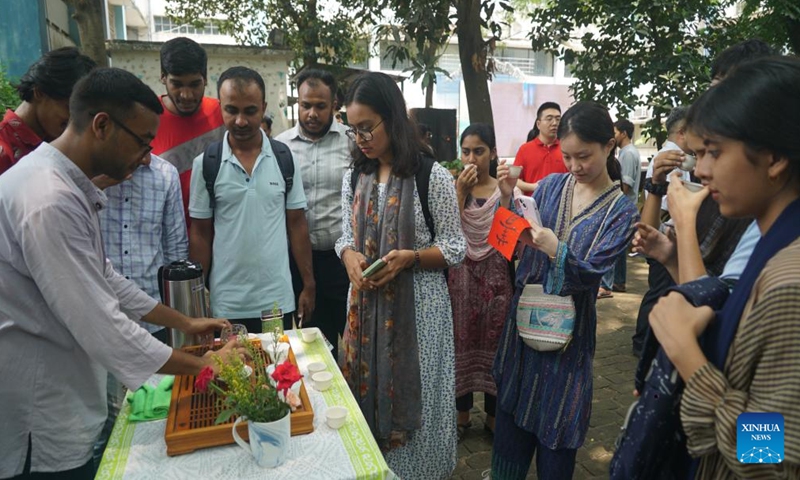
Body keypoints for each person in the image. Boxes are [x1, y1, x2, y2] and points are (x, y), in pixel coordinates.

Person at [0, 67, 239, 480]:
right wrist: (203, 367)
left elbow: (105, 277)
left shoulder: (65, 183)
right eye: (143, 142)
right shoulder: (49, 200)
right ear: (102, 125)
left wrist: (182, 321)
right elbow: (100, 322)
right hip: (39, 412)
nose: (147, 157)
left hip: (62, 390)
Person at [648, 56, 800, 479]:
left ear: (773, 159)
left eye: (714, 151)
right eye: (699, 153)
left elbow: (771, 456)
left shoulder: (789, 283)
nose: (701, 170)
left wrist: (688, 358)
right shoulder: (773, 239)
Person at [491, 101, 639, 480]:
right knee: (510, 423)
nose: (574, 166)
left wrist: (555, 248)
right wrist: (508, 198)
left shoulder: (622, 211)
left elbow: (592, 276)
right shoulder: (553, 186)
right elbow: (506, 243)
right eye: (568, 156)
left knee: (558, 424)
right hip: (523, 326)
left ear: (609, 146)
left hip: (568, 340)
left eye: (584, 156)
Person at [335, 72, 466, 479]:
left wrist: (410, 258)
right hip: (365, 313)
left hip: (419, 319)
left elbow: (456, 247)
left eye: (366, 127)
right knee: (366, 399)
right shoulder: (356, 176)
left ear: (392, 118)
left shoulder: (431, 176)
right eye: (352, 128)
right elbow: (344, 235)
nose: (360, 138)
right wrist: (349, 257)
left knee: (419, 408)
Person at [189, 66, 315, 334]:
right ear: (220, 108)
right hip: (225, 304)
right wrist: (198, 298)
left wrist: (308, 283)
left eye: (250, 111)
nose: (240, 121)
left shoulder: (284, 159)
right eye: (231, 110)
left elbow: (297, 225)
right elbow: (200, 233)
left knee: (278, 371)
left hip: (276, 300)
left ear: (263, 107)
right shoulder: (206, 164)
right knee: (232, 374)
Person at [275, 69, 351, 360]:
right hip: (299, 262)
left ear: (334, 105)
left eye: (321, 106)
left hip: (342, 261)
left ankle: (353, 402)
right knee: (314, 342)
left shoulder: (353, 143)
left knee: (352, 339)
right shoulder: (280, 147)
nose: (312, 113)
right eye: (306, 105)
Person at [449, 123, 518, 438]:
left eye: (479, 151)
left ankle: (492, 419)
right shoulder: (453, 187)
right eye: (466, 152)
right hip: (460, 277)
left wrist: (506, 198)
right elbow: (446, 233)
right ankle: (461, 416)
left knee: (495, 345)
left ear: (492, 153)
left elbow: (509, 245)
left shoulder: (503, 190)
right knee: (460, 343)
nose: (472, 158)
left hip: (495, 279)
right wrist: (459, 193)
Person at [627, 106, 688, 354]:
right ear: (683, 132)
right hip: (664, 239)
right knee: (658, 292)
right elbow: (663, 208)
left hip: (665, 240)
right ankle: (642, 341)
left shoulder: (675, 156)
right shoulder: (672, 159)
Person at [151, 37, 225, 228]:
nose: (186, 95)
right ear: (163, 77)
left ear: (206, 79)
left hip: (216, 234)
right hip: (164, 235)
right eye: (177, 84)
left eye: (194, 84)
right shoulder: (146, 119)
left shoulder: (222, 114)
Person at [0, 47, 95, 175]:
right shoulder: (4, 149)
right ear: (39, 92)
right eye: (69, 109)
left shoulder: (61, 144)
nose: (74, 121)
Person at [599, 118, 640, 296]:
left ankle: (608, 284)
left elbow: (627, 183)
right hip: (621, 204)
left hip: (621, 205)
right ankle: (618, 282)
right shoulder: (624, 153)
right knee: (620, 247)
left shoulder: (628, 154)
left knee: (612, 244)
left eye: (615, 131)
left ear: (623, 133)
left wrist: (612, 200)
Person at [512, 102, 566, 194]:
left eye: (558, 119)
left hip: (561, 205)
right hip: (532, 204)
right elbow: (514, 180)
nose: (554, 123)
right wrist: (535, 187)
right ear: (538, 124)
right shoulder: (525, 149)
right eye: (549, 119)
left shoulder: (566, 148)